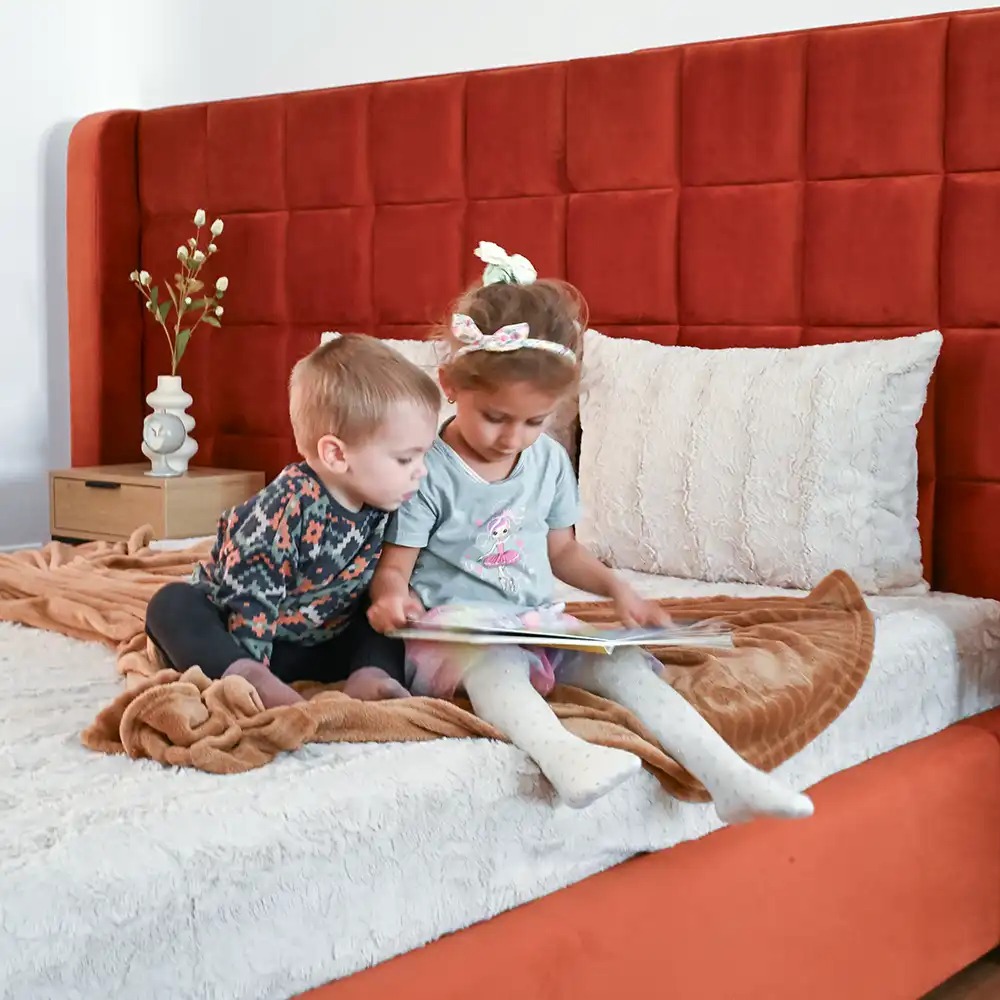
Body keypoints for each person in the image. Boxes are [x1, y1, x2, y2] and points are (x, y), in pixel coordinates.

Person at [368, 241, 815, 818]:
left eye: (534, 421)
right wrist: (390, 599)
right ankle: (565, 757)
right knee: (495, 666)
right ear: (450, 384)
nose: (512, 438)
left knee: (624, 664)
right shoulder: (427, 468)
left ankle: (728, 777)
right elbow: (395, 567)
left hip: (537, 621)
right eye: (495, 417)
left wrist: (618, 590)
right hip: (460, 632)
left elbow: (562, 551)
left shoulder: (548, 461)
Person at [145, 333, 440, 709]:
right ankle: (247, 678)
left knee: (383, 616)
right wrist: (253, 661)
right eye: (405, 459)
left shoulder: (389, 501)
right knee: (171, 603)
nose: (421, 471)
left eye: (423, 456)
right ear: (336, 455)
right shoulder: (285, 509)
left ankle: (371, 676)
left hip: (320, 641)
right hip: (246, 633)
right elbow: (248, 597)